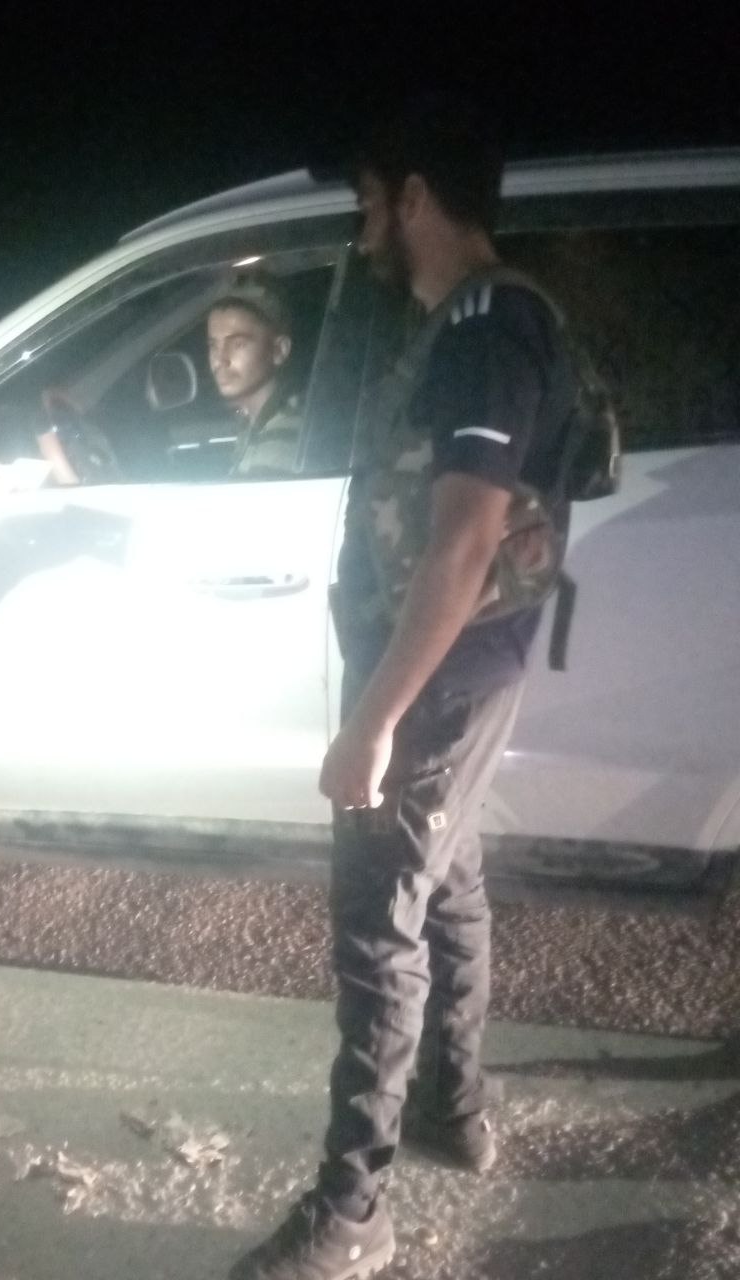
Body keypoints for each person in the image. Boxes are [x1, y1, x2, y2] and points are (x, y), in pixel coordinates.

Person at [232, 95, 577, 1280]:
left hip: (435, 675)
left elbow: (462, 539)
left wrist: (371, 721)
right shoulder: (482, 318)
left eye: (369, 201)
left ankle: (351, 1211)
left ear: (414, 196)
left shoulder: (480, 326)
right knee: (449, 878)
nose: (362, 225)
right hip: (463, 664)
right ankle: (451, 1106)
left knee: (377, 927)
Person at [206, 276, 303, 478]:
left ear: (279, 350)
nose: (220, 359)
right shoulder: (254, 422)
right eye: (214, 345)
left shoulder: (284, 435)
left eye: (238, 344)